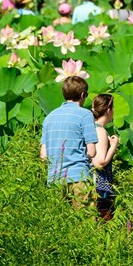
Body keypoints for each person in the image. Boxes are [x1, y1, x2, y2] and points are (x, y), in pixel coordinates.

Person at [40, 76, 98, 209]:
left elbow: (43, 156)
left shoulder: (49, 118)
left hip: (54, 179)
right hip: (79, 177)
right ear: (83, 94)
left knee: (59, 225)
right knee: (85, 224)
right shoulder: (85, 115)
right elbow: (92, 151)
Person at [91, 94, 119, 220]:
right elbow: (100, 162)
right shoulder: (100, 131)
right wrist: (113, 145)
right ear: (108, 110)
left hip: (92, 184)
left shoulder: (90, 128)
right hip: (100, 186)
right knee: (103, 224)